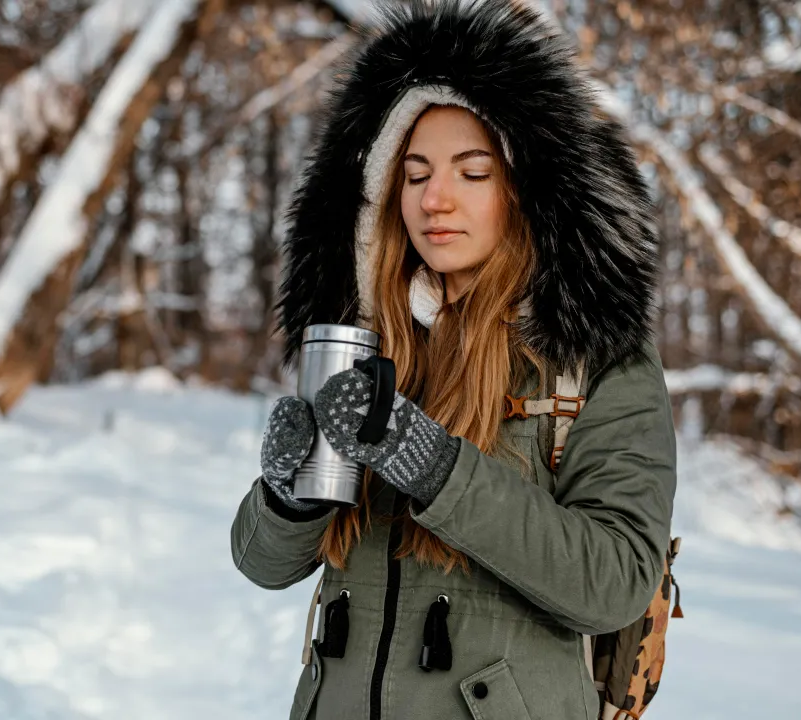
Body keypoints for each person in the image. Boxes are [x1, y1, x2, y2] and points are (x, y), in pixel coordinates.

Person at [229, 1, 677, 719]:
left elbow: (616, 580)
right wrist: (290, 496)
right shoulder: (368, 341)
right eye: (414, 175)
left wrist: (435, 466)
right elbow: (262, 564)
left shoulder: (592, 355)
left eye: (472, 172)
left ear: (528, 189)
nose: (434, 199)